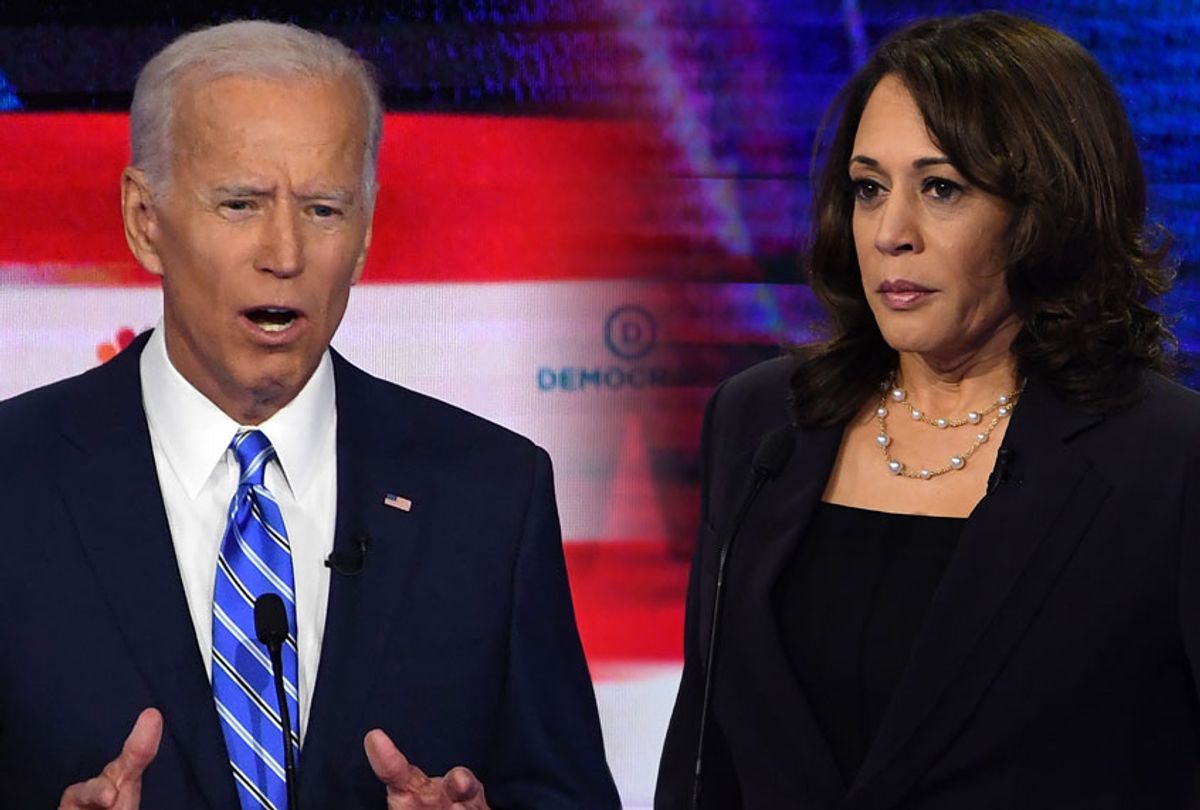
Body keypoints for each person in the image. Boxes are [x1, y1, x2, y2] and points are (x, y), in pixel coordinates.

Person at [0, 20, 620, 809]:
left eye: (325, 210)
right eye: (240, 203)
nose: (285, 252)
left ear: (363, 235)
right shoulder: (14, 483)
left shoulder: (493, 493)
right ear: (144, 219)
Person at [656, 11, 1200, 809]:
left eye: (941, 188)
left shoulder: (1168, 461)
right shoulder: (763, 421)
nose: (890, 233)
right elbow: (705, 760)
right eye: (869, 188)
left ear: (1046, 209)